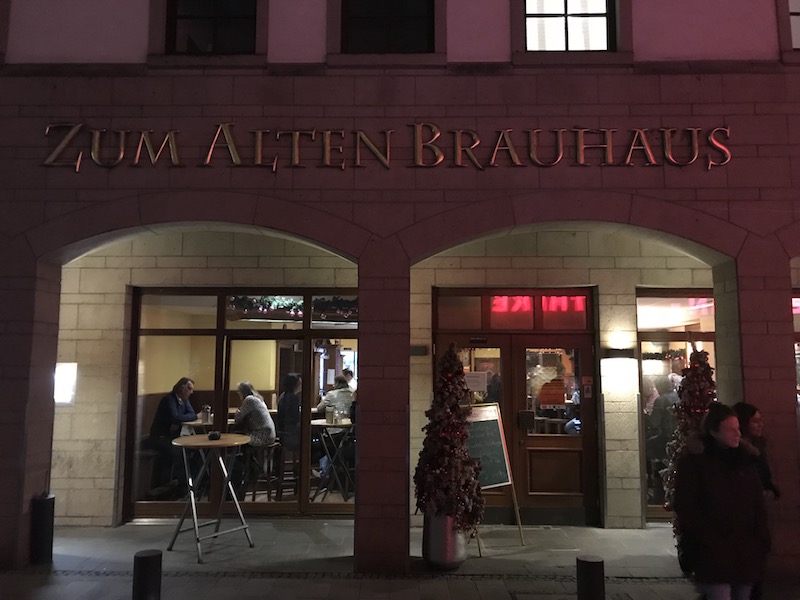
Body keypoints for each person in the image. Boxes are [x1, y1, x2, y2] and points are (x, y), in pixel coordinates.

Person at [674, 402, 770, 600]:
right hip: (714, 553)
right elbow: (686, 506)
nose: (737, 434)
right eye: (730, 430)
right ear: (713, 432)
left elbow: (757, 503)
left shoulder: (745, 460)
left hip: (745, 551)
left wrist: (761, 539)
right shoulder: (695, 464)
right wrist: (708, 538)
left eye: (737, 429)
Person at [733, 402, 780, 600]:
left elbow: (765, 478)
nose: (761, 425)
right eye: (755, 421)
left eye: (761, 421)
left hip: (757, 519)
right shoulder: (737, 452)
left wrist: (771, 490)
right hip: (743, 523)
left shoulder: (758, 447)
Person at [148, 377, 197, 491]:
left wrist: (179, 420)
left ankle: (185, 483)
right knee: (181, 452)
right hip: (160, 437)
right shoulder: (168, 400)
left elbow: (192, 414)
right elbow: (175, 416)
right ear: (181, 388)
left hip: (173, 437)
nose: (191, 392)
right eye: (189, 389)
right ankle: (178, 486)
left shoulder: (184, 400)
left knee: (192, 451)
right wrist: (177, 419)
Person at [234, 381, 276, 447]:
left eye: (239, 392)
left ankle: (242, 457)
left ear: (243, 392)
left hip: (261, 436)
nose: (239, 394)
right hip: (270, 435)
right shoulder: (259, 399)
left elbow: (238, 418)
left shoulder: (249, 400)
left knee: (239, 438)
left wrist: (237, 413)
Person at [276, 373, 302, 452]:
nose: (301, 386)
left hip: (283, 432)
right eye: (300, 384)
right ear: (294, 385)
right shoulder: (292, 398)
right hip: (291, 435)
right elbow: (295, 418)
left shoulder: (283, 395)